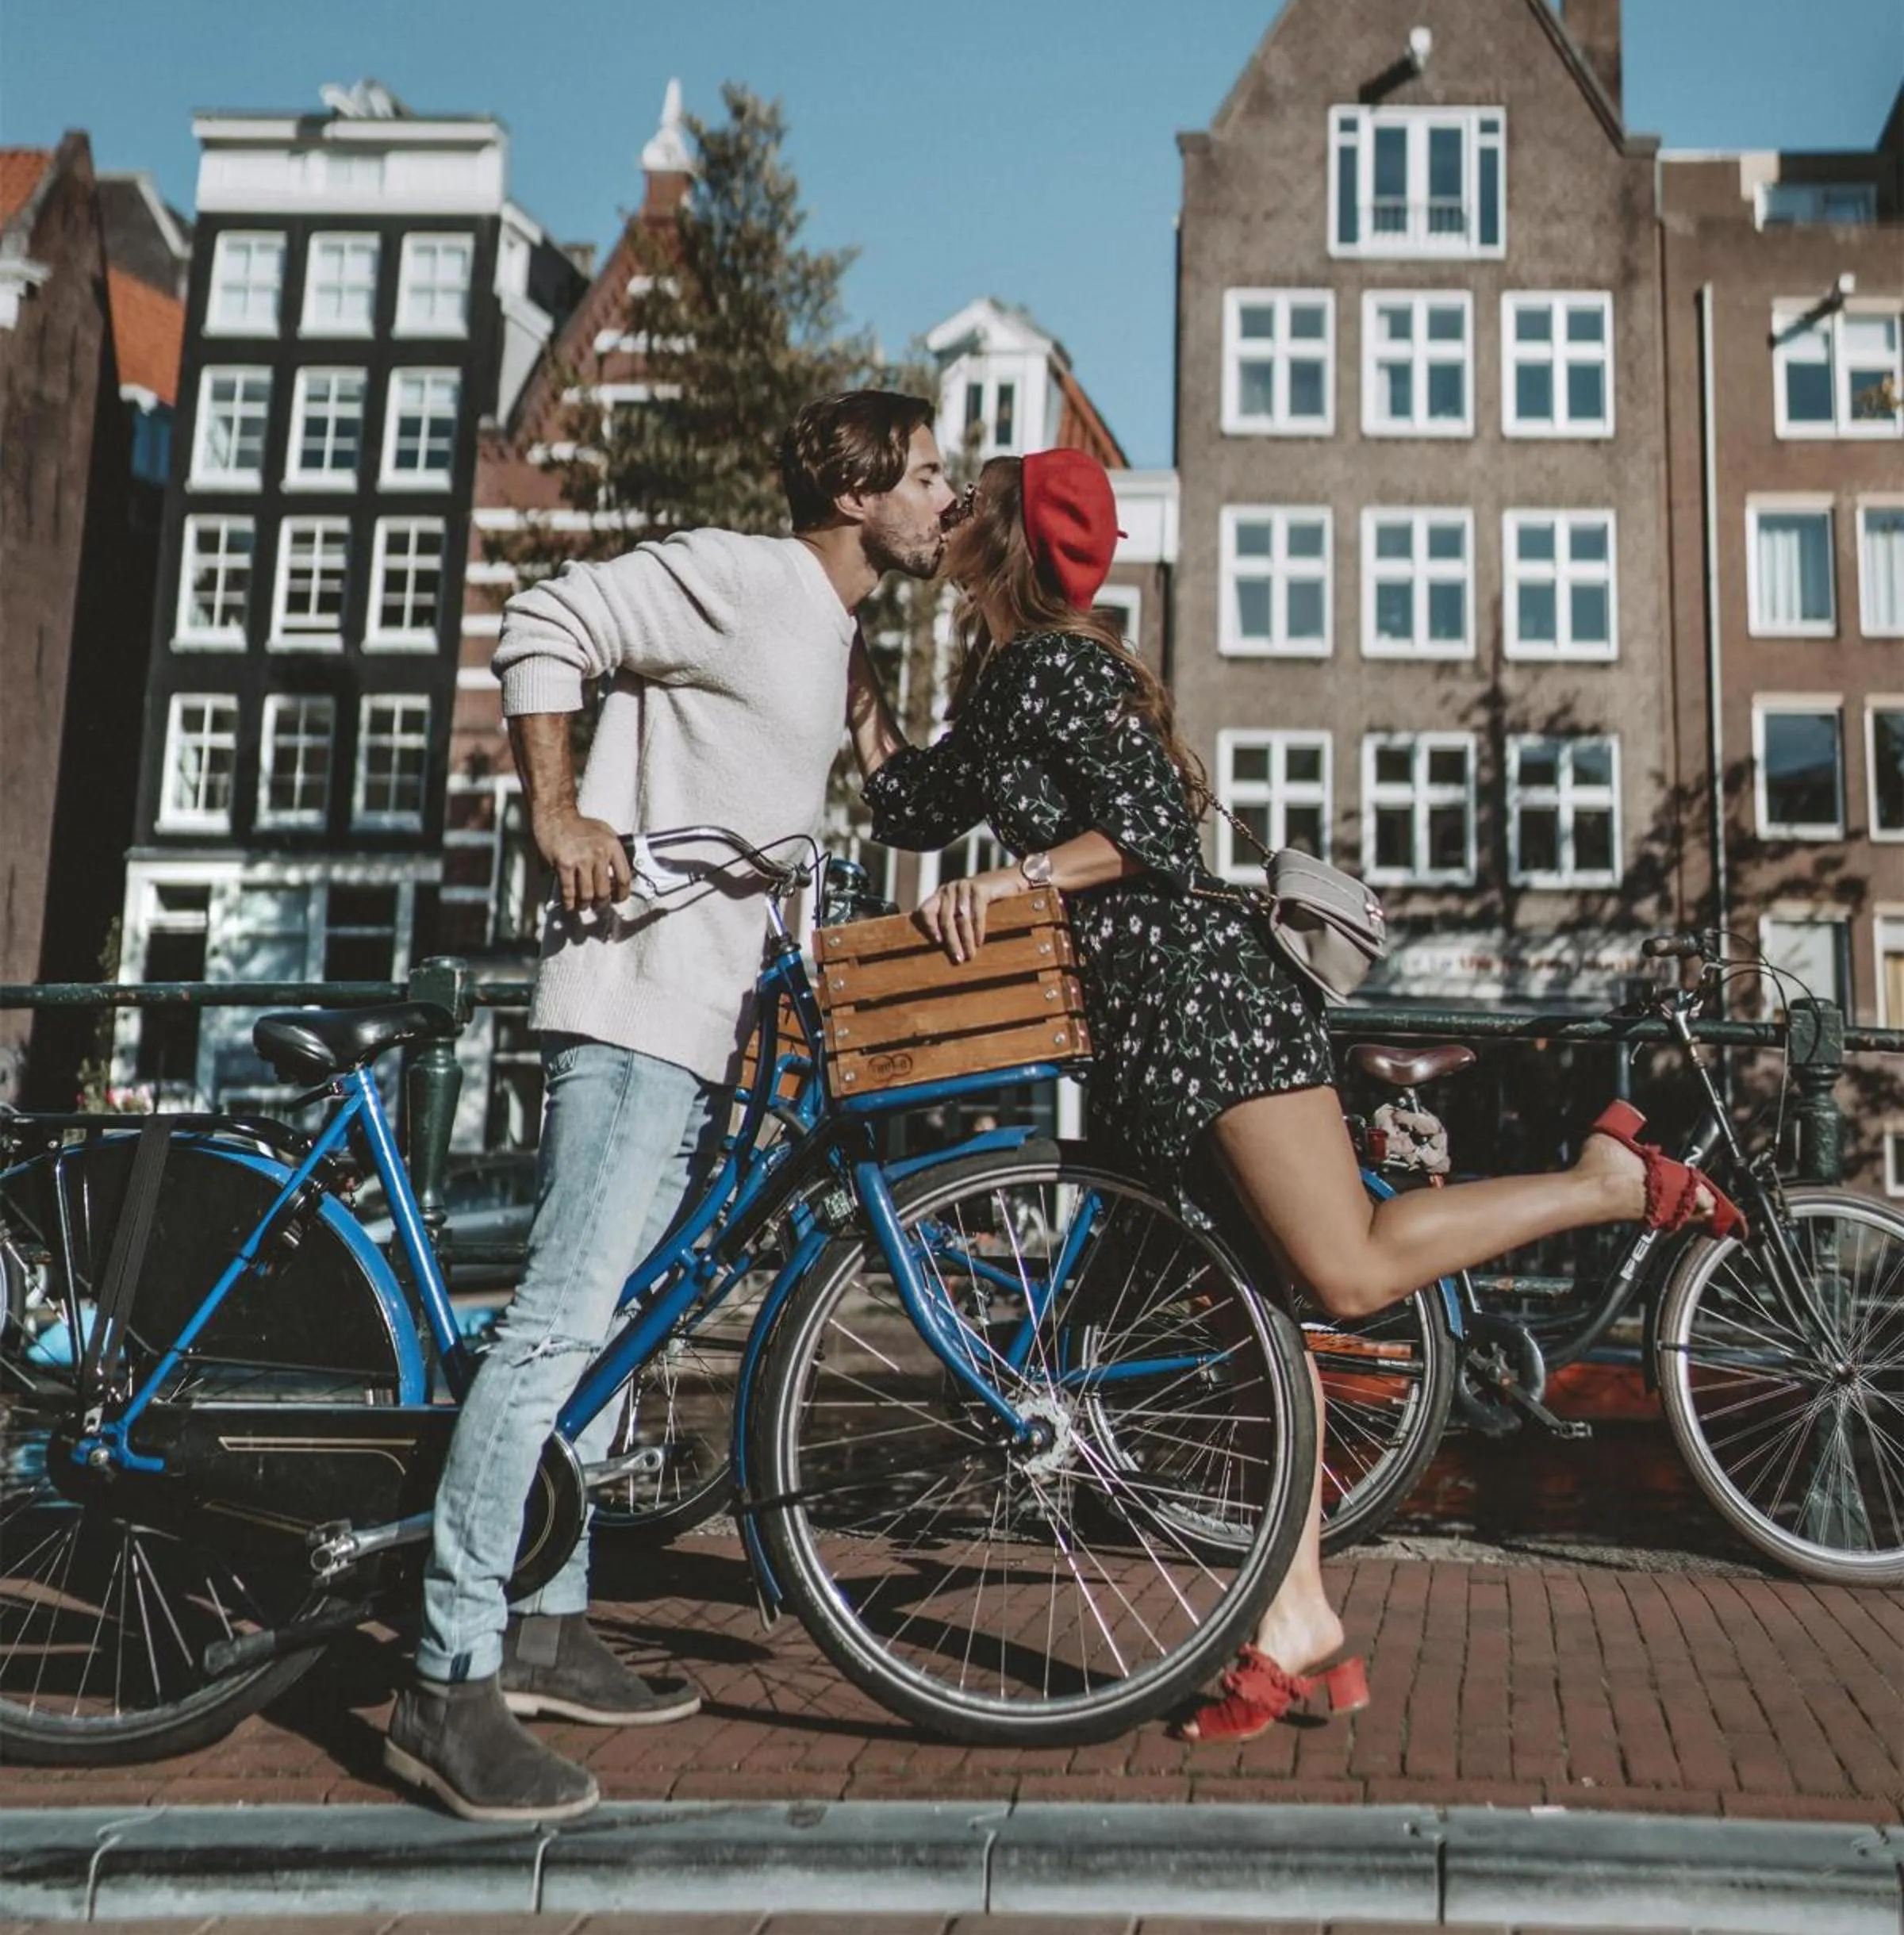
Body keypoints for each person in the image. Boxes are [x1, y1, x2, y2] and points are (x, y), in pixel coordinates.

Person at [847, 447, 1743, 1743]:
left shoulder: (1057, 666)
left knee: (1349, 1275)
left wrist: (1015, 883)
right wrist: (852, 656)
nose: (953, 516)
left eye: (973, 503)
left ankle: (1605, 1182)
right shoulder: (1006, 680)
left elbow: (1153, 833)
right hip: (1159, 1036)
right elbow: (908, 804)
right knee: (1277, 1316)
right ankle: (1299, 1624)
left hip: (1204, 1010)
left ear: (1012, 544)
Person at [384, 390, 954, 1822]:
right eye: (931, 474)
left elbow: (905, 800)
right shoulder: (747, 575)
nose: (948, 497)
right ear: (855, 486)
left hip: (704, 1018)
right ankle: (443, 1679)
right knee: (559, 1323)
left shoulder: (836, 639)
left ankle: (549, 1624)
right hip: (633, 995)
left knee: (616, 1336)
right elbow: (543, 620)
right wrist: (556, 813)